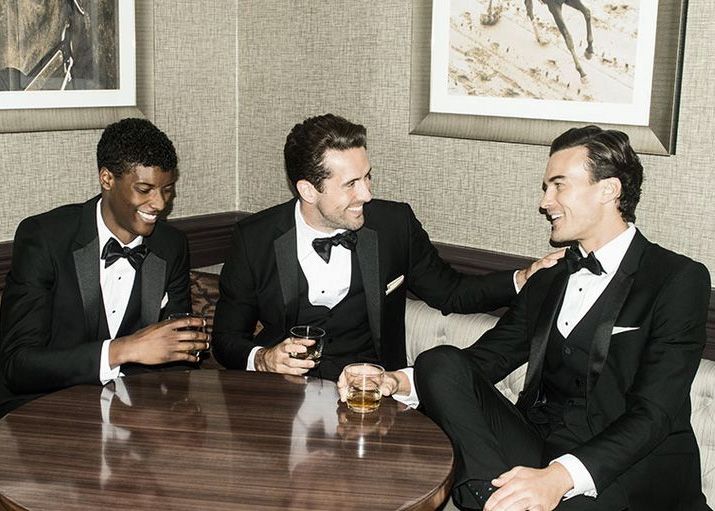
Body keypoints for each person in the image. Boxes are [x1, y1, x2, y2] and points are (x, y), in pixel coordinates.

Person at [369, 125, 711, 510]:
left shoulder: (677, 279)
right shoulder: (548, 278)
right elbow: (488, 358)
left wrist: (559, 477)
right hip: (542, 445)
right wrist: (397, 380)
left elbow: (654, 414)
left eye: (558, 185)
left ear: (608, 190)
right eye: (546, 187)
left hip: (627, 470)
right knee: (440, 362)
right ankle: (488, 494)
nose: (545, 201)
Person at [212, 113, 560, 381]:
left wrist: (521, 278)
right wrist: (263, 358)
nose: (366, 194)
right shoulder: (254, 239)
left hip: (372, 393)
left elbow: (451, 292)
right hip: (281, 399)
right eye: (351, 184)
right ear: (307, 190)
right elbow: (226, 339)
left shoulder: (394, 225)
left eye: (367, 176)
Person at [0, 118, 210, 417]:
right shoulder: (45, 238)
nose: (160, 203)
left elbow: (176, 361)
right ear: (107, 178)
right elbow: (18, 365)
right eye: (145, 189)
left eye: (167, 189)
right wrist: (123, 349)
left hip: (137, 415)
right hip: (46, 410)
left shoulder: (171, 245)